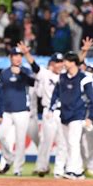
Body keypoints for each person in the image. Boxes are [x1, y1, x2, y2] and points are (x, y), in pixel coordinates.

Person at [20, 43, 66, 178]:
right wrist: (26, 54)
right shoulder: (45, 74)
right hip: (49, 112)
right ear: (51, 63)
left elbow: (77, 64)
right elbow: (34, 66)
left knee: (63, 142)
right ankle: (42, 166)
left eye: (61, 62)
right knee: (46, 140)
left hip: (64, 112)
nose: (59, 64)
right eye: (57, 62)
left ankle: (60, 168)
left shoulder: (65, 75)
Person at [49, 51, 93, 179]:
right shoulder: (62, 77)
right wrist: (50, 109)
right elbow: (55, 94)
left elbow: (92, 99)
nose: (64, 63)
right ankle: (78, 171)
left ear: (74, 63)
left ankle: (71, 170)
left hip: (77, 114)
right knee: (65, 143)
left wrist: (90, 117)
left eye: (67, 61)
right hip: (64, 114)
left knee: (73, 142)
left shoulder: (84, 78)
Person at [0, 47, 35, 176]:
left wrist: (21, 73)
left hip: (22, 110)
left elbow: (32, 82)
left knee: (20, 141)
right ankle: (9, 158)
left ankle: (18, 168)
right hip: (7, 111)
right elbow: (0, 92)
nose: (18, 58)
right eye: (15, 55)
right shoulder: (4, 73)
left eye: (20, 55)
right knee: (0, 136)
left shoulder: (26, 71)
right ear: (10, 57)